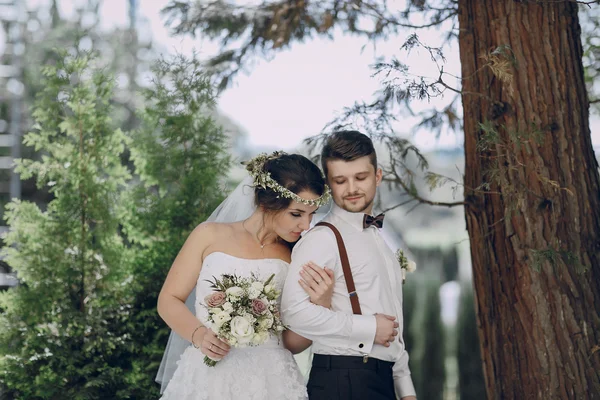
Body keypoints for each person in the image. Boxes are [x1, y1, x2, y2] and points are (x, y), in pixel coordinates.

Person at [156, 152, 336, 400]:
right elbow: (169, 299)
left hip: (272, 383)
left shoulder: (297, 257)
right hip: (208, 377)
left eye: (311, 215)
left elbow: (292, 344)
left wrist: (321, 306)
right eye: (297, 214)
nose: (306, 226)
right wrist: (199, 335)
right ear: (267, 203)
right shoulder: (208, 235)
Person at [281, 131, 417, 400]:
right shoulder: (322, 238)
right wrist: (368, 328)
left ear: (377, 176)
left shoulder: (380, 241)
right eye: (340, 181)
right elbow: (293, 313)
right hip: (342, 380)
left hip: (381, 379)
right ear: (329, 185)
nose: (352, 188)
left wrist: (406, 389)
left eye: (361, 177)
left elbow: (393, 325)